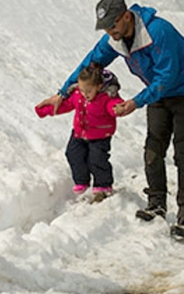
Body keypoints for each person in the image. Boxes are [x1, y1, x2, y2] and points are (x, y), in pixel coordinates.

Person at [38, 0, 184, 238]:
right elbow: (90, 65)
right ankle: (157, 204)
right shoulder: (114, 39)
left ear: (127, 16)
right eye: (106, 27)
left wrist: (136, 102)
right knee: (153, 147)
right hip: (159, 92)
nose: (110, 31)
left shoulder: (158, 31)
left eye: (113, 25)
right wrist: (62, 92)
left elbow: (167, 76)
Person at [35, 65, 124, 203]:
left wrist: (117, 108)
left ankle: (103, 185)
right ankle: (82, 180)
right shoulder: (78, 95)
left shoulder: (106, 97)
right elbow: (65, 105)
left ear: (99, 87)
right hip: (79, 132)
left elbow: (114, 105)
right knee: (72, 153)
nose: (84, 93)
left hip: (100, 135)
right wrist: (47, 110)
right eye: (81, 89)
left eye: (88, 91)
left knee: (97, 159)